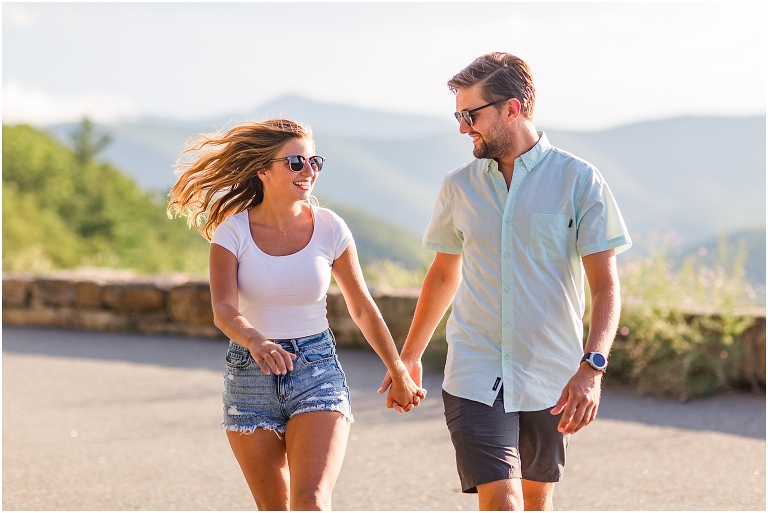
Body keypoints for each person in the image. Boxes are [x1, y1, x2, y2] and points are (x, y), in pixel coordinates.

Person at [379, 52, 632, 510]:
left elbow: (606, 286)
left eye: (470, 115)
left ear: (512, 109)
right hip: (475, 370)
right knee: (504, 502)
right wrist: (408, 358)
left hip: (551, 374)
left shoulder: (579, 180)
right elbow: (442, 273)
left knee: (536, 501)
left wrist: (592, 368)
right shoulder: (459, 186)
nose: (462, 128)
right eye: (458, 115)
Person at [167, 119, 425, 510]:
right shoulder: (232, 233)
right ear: (263, 171)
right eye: (295, 163)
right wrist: (254, 339)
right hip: (250, 378)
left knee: (312, 502)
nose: (309, 172)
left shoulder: (330, 228)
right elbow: (222, 310)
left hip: (316, 371)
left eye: (314, 162)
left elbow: (361, 306)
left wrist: (399, 369)